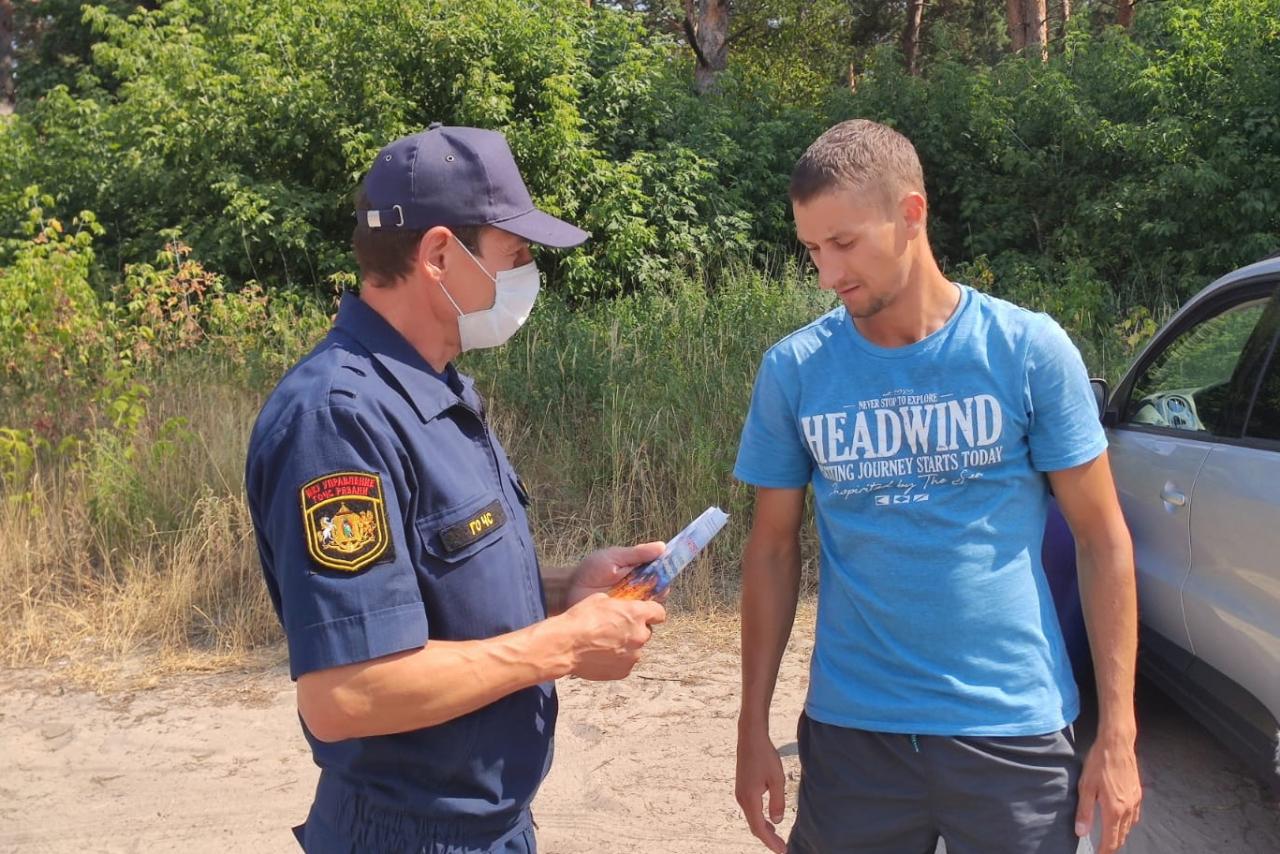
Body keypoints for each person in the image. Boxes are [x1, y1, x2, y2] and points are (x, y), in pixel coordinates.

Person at [245, 124, 667, 853]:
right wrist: (561, 644)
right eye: (517, 256)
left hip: (489, 829)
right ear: (440, 255)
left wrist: (567, 590)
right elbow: (346, 693)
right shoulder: (338, 418)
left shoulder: (433, 390)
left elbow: (432, 594)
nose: (530, 276)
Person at [732, 119, 1143, 854]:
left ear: (911, 213)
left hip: (1012, 731)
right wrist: (750, 727)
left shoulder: (1026, 350)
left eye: (845, 243)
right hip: (854, 738)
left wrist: (1118, 734)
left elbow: (1102, 538)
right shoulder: (795, 371)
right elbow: (770, 550)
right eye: (812, 250)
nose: (828, 273)